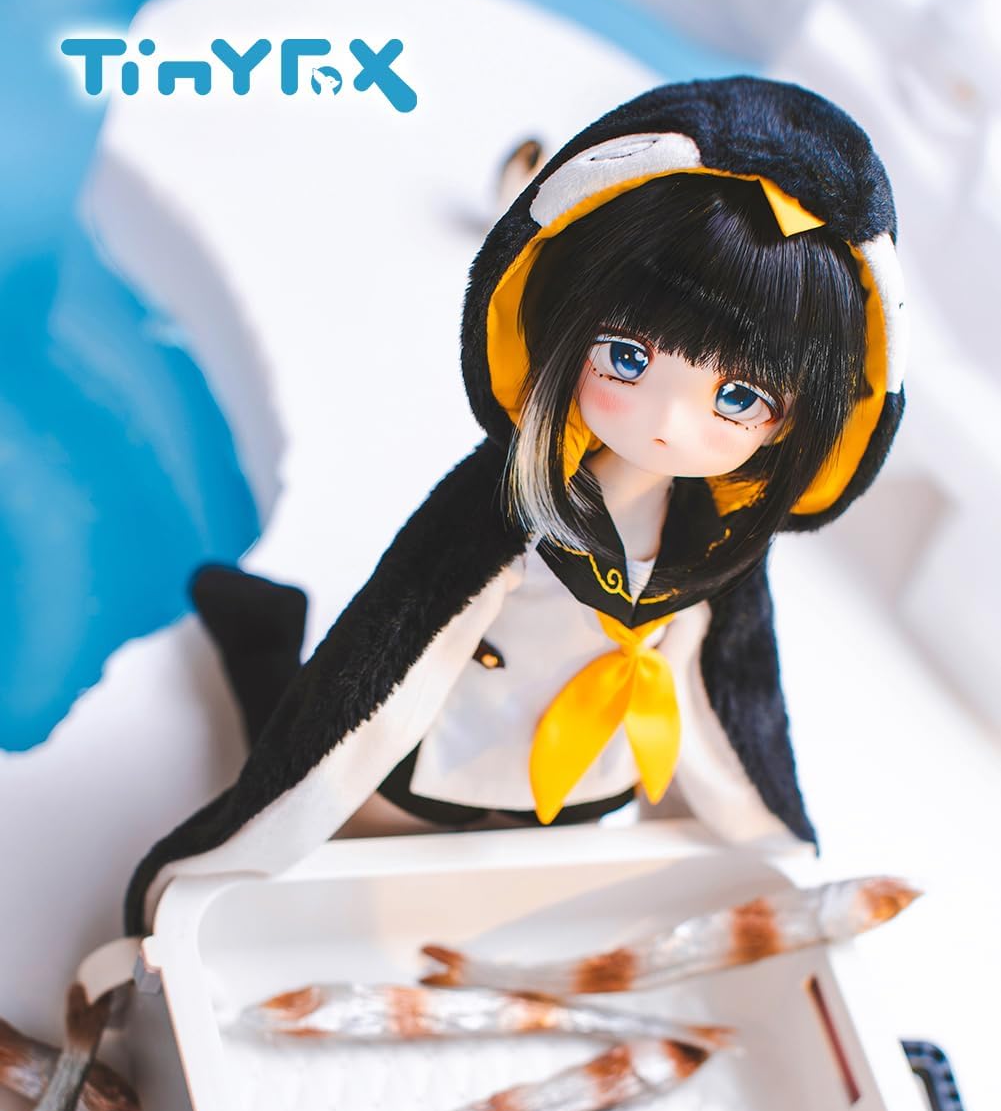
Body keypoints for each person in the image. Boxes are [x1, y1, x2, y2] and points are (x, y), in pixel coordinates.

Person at [123, 74, 906, 939]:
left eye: (738, 399)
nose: (667, 422)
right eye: (627, 358)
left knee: (515, 925)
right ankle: (262, 644)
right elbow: (384, 654)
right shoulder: (510, 502)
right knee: (330, 861)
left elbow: (734, 692)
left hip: (583, 781)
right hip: (444, 757)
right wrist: (217, 858)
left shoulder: (719, 538)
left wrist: (773, 850)